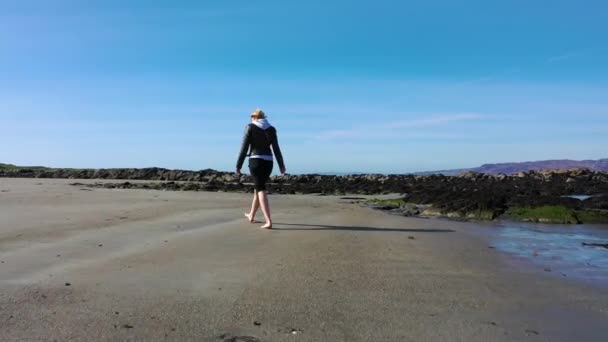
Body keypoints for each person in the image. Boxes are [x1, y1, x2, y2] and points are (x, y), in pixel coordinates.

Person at [236, 109, 286, 229]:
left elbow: (244, 148)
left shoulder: (250, 127)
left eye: (251, 117)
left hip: (255, 161)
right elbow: (276, 149)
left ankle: (268, 221)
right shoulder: (271, 129)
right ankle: (251, 215)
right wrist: (281, 166)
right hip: (269, 162)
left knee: (260, 189)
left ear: (254, 117)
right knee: (257, 188)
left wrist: (238, 165)